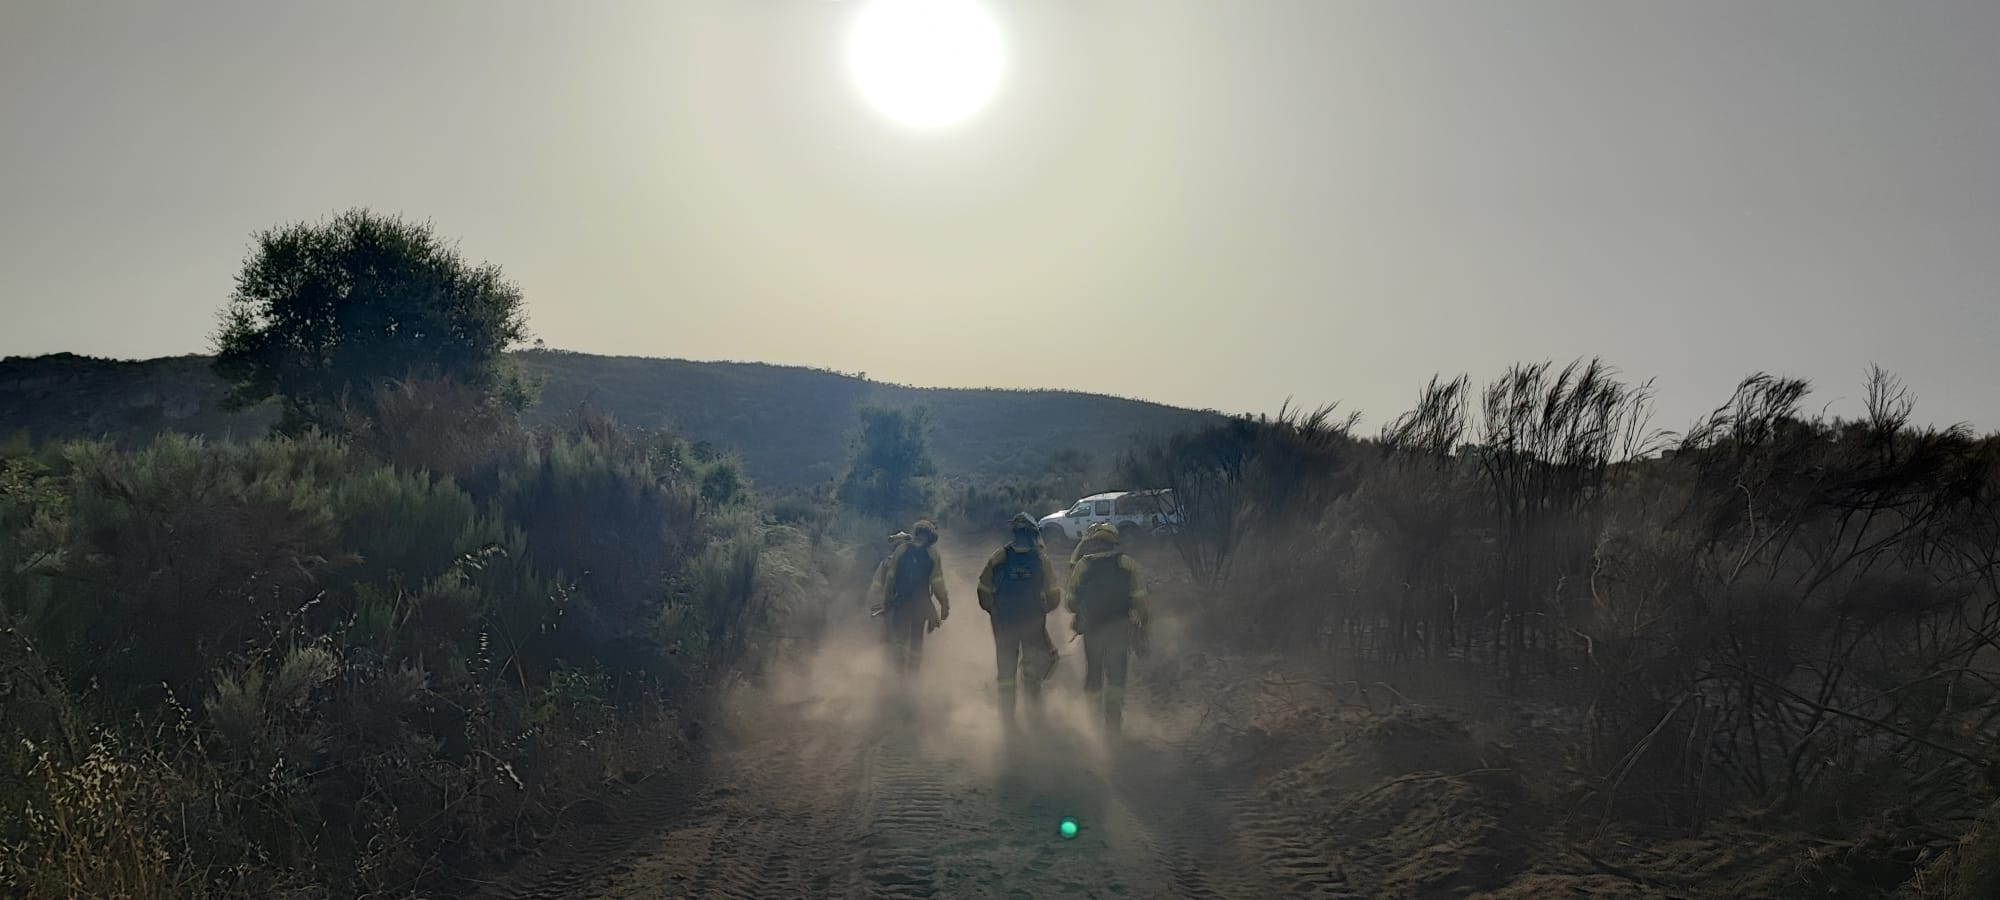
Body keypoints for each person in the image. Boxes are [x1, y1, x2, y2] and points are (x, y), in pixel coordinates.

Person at [976, 513, 1063, 728]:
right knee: (1032, 669)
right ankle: (1034, 716)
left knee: (1006, 673)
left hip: (1004, 624)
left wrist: (994, 611)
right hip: (1033, 623)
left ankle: (1007, 720)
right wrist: (1042, 611)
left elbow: (983, 590)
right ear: (1033, 534)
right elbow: (1054, 595)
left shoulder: (999, 557)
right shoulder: (1041, 559)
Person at [1066, 522, 1149, 733]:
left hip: (1093, 629)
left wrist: (1082, 610)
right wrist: (1143, 627)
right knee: (1116, 675)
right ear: (1113, 543)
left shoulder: (1083, 565)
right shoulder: (1126, 563)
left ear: (1093, 543)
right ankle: (1113, 723)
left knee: (1093, 674)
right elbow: (1140, 600)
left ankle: (1092, 722)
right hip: (1120, 629)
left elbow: (1070, 602)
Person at [872, 519, 950, 673]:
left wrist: (887, 600)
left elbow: (890, 579)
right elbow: (938, 584)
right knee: (916, 640)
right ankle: (913, 675)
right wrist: (944, 605)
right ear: (931, 536)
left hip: (901, 602)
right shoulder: (932, 554)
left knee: (899, 638)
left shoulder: (901, 550)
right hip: (921, 605)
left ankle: (898, 670)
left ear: (916, 532)